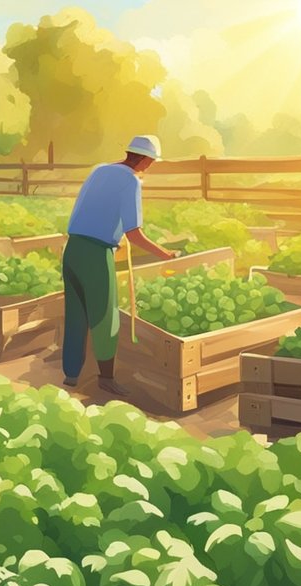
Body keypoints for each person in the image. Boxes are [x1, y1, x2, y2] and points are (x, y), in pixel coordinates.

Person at [62, 135, 179, 396]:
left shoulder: (99, 170)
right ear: (146, 160)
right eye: (151, 161)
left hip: (73, 249)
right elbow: (134, 232)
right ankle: (106, 377)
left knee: (76, 313)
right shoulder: (131, 180)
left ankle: (71, 375)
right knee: (104, 315)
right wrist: (164, 254)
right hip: (96, 253)